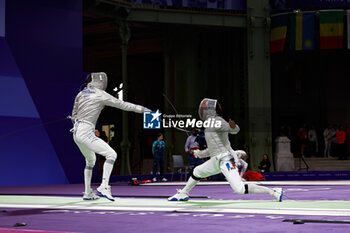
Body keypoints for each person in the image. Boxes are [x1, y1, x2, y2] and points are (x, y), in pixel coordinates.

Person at [168, 98, 283, 202]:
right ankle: (183, 193)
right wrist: (198, 154)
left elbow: (234, 130)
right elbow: (212, 149)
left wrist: (233, 126)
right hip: (215, 160)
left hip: (225, 159)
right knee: (197, 171)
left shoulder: (218, 121)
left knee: (240, 189)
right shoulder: (208, 126)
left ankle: (273, 191)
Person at [70, 72, 150, 201]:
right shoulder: (101, 95)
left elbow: (74, 115)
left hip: (76, 132)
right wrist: (143, 109)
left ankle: (87, 193)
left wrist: (85, 127)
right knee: (111, 154)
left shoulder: (81, 94)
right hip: (85, 132)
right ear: (101, 81)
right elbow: (123, 105)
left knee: (90, 161)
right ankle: (104, 186)